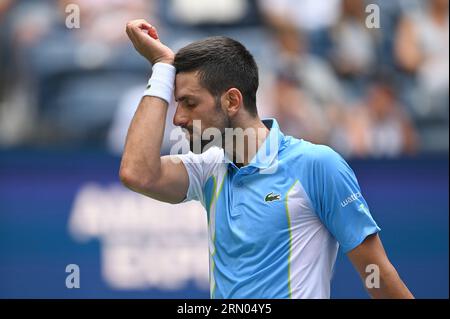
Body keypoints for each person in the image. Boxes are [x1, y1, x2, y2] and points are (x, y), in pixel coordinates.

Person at [120, 19, 414, 299]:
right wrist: (161, 67)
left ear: (232, 101)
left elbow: (379, 275)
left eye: (190, 103)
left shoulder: (317, 165)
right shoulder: (207, 170)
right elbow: (137, 172)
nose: (178, 118)